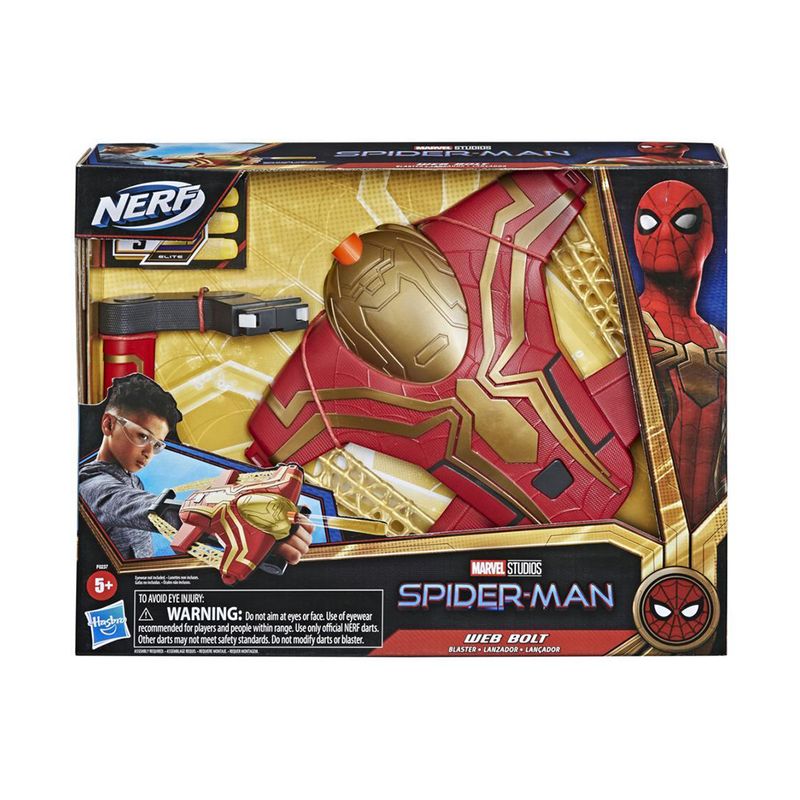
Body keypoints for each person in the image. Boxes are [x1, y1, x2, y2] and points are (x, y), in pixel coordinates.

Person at [79, 374, 313, 563]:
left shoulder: (131, 480)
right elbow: (144, 508)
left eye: (157, 445)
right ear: (109, 424)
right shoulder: (93, 487)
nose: (149, 452)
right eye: (142, 436)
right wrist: (238, 522)